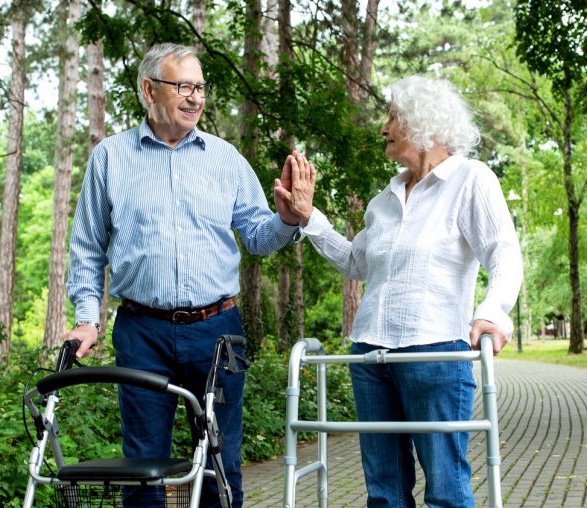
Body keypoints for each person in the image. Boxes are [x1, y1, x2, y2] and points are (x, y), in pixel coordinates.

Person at [64, 42, 315, 507]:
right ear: (149, 89)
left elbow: (258, 237)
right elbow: (86, 247)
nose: (195, 98)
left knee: (221, 458)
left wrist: (288, 220)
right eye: (183, 86)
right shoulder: (110, 158)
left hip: (219, 330)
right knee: (142, 463)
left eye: (200, 88)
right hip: (142, 331)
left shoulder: (225, 159)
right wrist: (87, 318)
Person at [279, 76, 521, 507]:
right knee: (385, 494)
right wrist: (307, 215)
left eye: (392, 117)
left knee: (446, 491)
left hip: (435, 355)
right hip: (370, 355)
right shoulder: (384, 198)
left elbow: (503, 255)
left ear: (422, 122)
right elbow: (356, 262)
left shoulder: (470, 179)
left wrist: (493, 313)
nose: (384, 129)